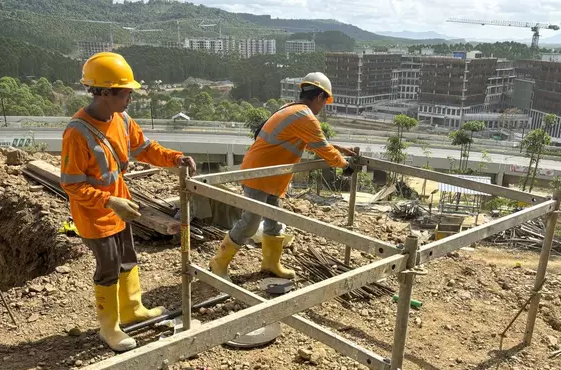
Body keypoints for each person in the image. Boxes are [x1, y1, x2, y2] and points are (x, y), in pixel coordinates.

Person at [60, 52, 196, 352]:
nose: (131, 97)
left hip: (120, 206)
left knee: (128, 257)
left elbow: (144, 148)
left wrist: (175, 158)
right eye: (126, 92)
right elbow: (71, 184)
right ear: (106, 92)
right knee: (108, 266)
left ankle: (133, 308)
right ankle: (109, 327)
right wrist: (109, 202)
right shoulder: (77, 132)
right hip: (95, 214)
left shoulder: (121, 120)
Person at [209, 72, 355, 281]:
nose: (323, 106)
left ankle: (270, 263)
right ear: (320, 97)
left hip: (271, 176)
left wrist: (341, 148)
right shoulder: (304, 116)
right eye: (325, 101)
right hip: (259, 174)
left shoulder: (294, 111)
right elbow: (321, 146)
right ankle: (218, 263)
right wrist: (344, 164)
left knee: (274, 220)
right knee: (250, 222)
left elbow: (313, 140)